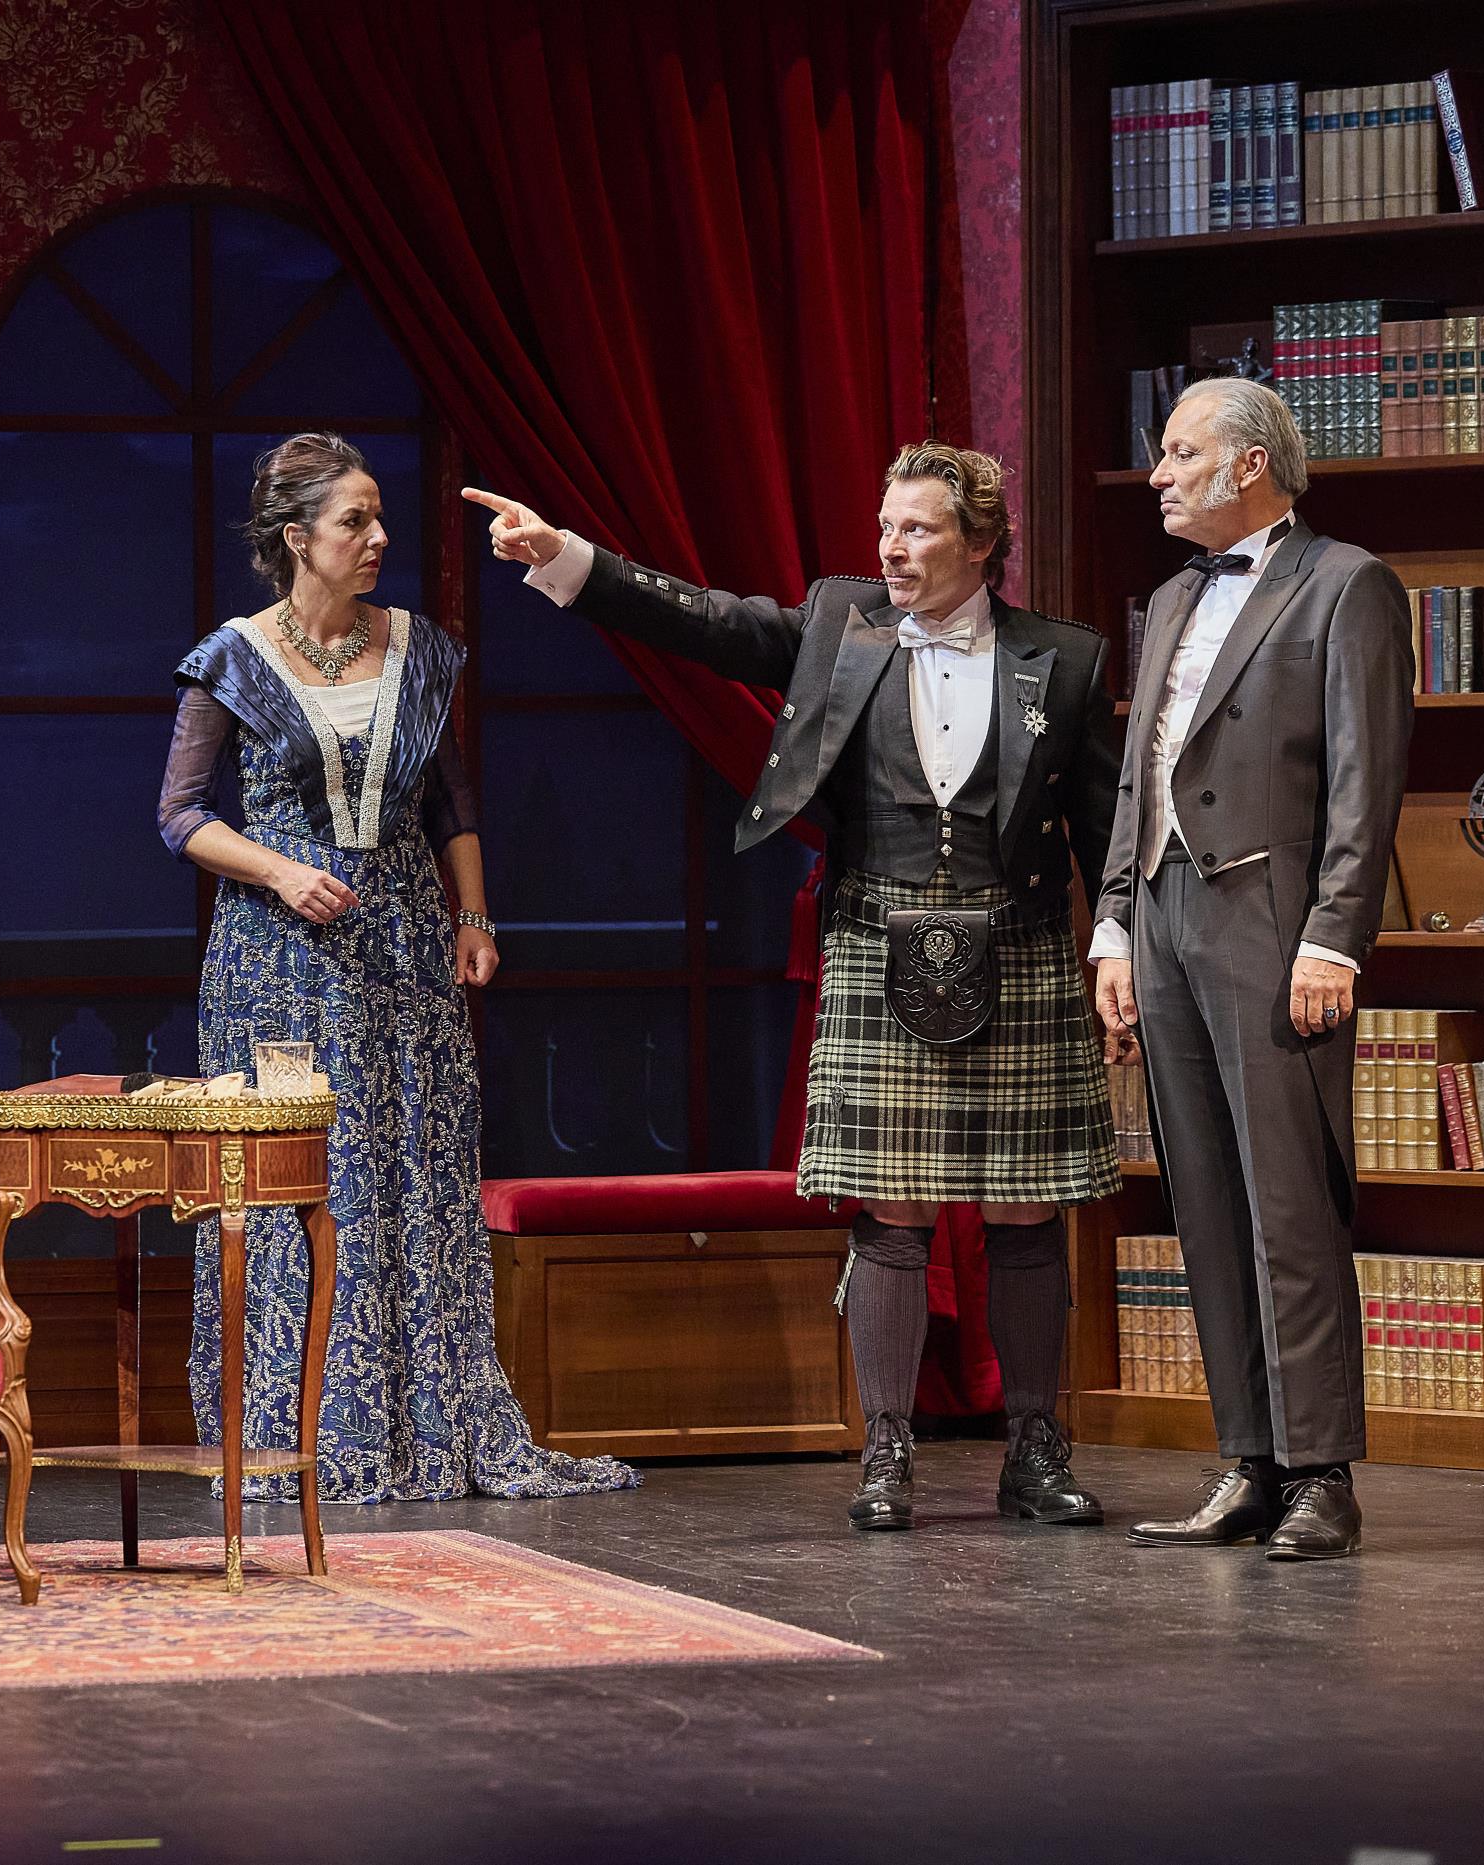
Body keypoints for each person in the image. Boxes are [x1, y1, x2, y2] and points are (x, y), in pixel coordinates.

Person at [467, 442, 1123, 1534]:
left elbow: (1105, 825)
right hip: (875, 940)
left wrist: (1116, 943)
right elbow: (705, 620)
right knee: (891, 1210)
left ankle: (1035, 1448)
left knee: (1025, 1208)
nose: (890, 547)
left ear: (981, 543)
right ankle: (886, 1450)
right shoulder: (839, 622)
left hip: (1018, 948)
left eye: (916, 528)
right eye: (886, 526)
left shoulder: (1062, 658)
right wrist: (565, 556)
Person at [158, 432, 636, 1504]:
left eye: (379, 518)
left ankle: (426, 1425)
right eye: (354, 521)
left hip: (406, 942)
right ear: (298, 539)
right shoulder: (233, 657)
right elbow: (180, 815)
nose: (378, 538)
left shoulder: (414, 647)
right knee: (304, 1181)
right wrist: (281, 871)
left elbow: (451, 799)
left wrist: (473, 912)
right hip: (279, 962)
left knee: (411, 1169)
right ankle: (300, 1431)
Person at [1090, 376, 1414, 1562]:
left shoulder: (1344, 583)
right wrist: (1111, 924)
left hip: (1269, 926)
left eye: (1179, 453)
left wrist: (1333, 934)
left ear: (1247, 465)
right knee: (1205, 1199)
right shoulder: (1173, 595)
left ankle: (1321, 1471)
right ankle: (1248, 1460)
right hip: (1164, 913)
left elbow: (1364, 779)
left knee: (1286, 1199)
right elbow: (1139, 771)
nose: (1158, 474)